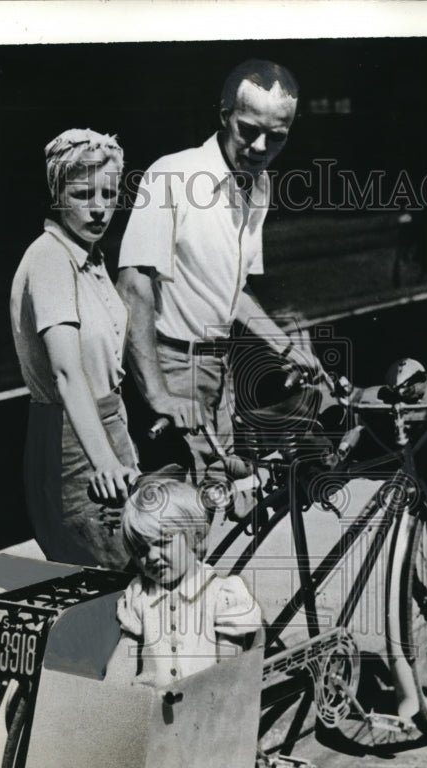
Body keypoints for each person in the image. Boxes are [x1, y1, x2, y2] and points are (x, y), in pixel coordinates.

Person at [118, 59, 322, 477]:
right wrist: (158, 395)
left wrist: (284, 345)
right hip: (171, 367)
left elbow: (232, 293)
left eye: (277, 136)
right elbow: (133, 285)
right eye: (249, 130)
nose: (261, 147)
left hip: (219, 368)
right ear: (224, 114)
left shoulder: (259, 187)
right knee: (176, 524)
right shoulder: (172, 175)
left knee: (220, 499)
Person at [11, 128, 140, 569]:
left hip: (104, 428)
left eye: (109, 192)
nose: (100, 207)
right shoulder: (51, 258)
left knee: (140, 577)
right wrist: (104, 461)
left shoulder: (88, 255)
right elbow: (67, 372)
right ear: (56, 193)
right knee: (120, 578)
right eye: (84, 193)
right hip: (75, 443)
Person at [105, 478, 262, 686]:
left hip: (202, 703)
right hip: (150, 704)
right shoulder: (140, 593)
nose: (151, 556)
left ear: (194, 535)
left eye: (163, 542)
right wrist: (109, 699)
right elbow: (126, 654)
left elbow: (229, 669)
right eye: (141, 550)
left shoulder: (221, 594)